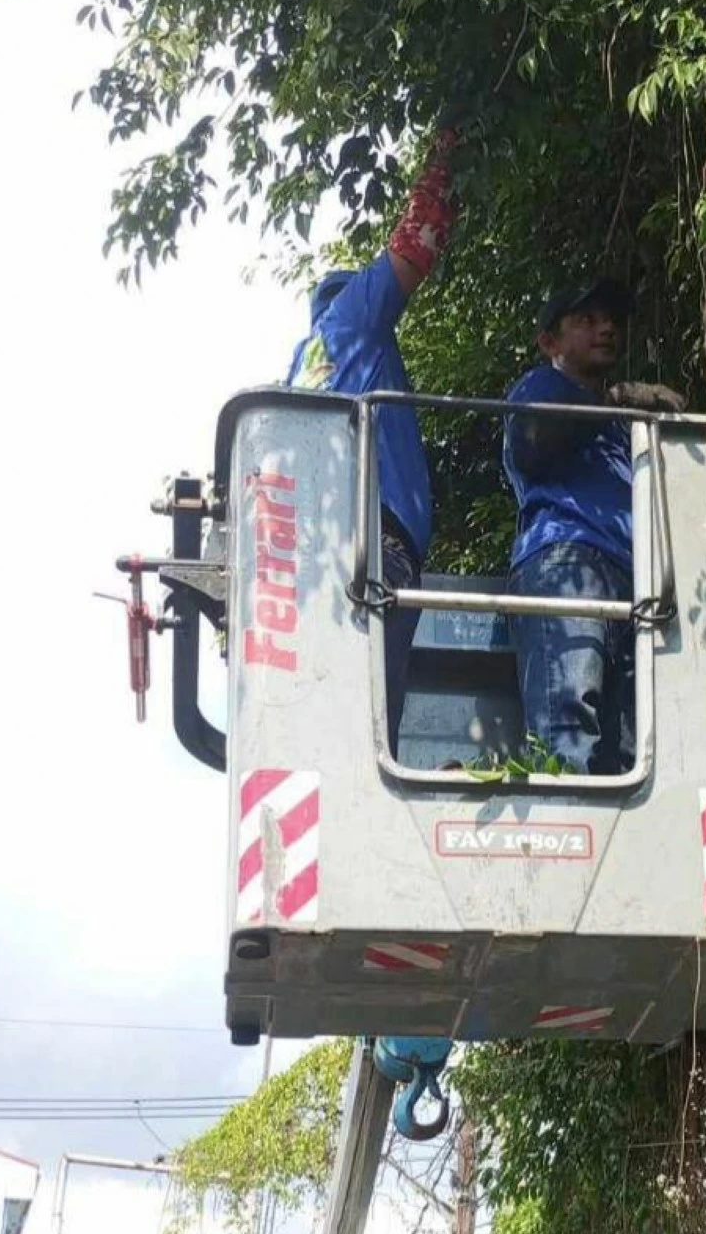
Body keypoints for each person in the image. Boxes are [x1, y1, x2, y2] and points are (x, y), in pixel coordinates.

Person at [287, 128, 458, 748]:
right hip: (375, 540)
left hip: (315, 549)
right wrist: (447, 155)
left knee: (341, 715)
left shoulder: (302, 369)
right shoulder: (354, 318)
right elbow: (414, 248)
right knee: (373, 718)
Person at [502, 280, 685, 775]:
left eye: (610, 320)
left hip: (633, 577)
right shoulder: (541, 387)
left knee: (629, 745)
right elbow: (534, 440)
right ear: (550, 343)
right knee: (567, 727)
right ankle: (561, 840)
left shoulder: (623, 428)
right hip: (567, 560)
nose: (606, 328)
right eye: (586, 320)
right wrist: (619, 400)